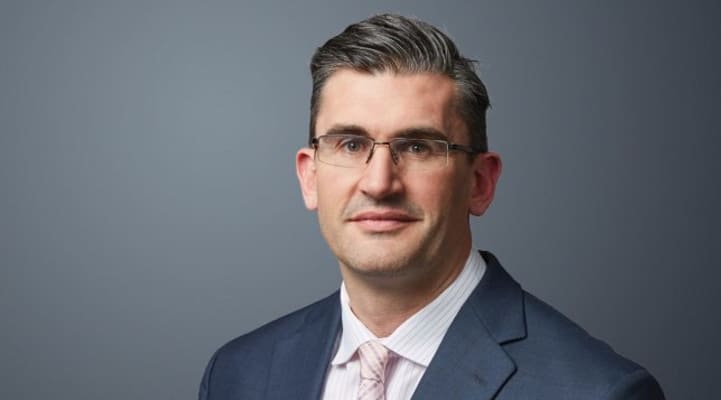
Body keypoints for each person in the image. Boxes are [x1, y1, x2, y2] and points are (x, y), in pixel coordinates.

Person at [199, 13, 665, 400]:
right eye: (350, 144)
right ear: (310, 176)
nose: (379, 183)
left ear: (479, 183)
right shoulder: (238, 376)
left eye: (418, 147)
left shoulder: (597, 391)